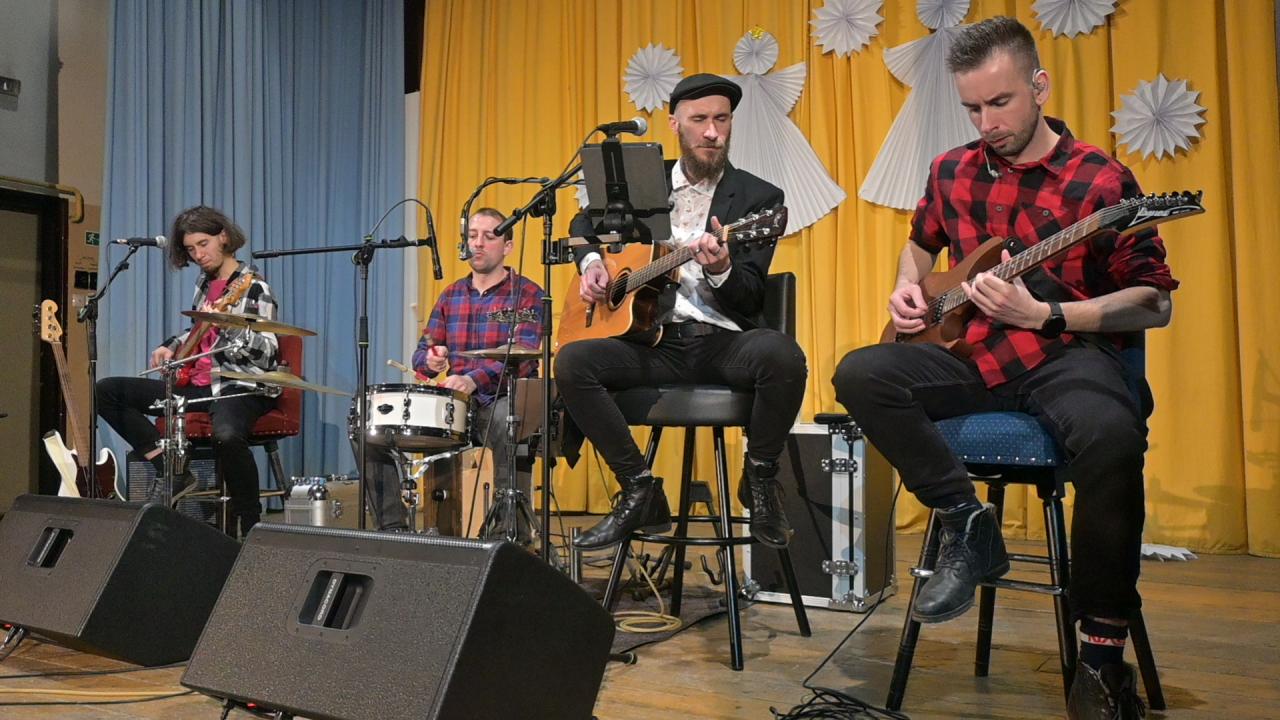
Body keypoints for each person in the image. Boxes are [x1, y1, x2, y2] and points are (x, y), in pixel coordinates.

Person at [830, 17, 1177, 719]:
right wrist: (908, 289)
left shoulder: (1103, 180)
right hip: (969, 356)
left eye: (1000, 103)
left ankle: (1101, 660)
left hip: (1063, 355)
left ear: (1039, 87)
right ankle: (968, 524)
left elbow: (1154, 302)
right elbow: (919, 245)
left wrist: (1046, 313)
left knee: (1112, 438)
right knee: (859, 373)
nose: (986, 123)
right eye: (972, 108)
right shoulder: (950, 171)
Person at [556, 73, 808, 552]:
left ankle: (760, 477)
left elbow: (750, 296)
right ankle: (639, 489)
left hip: (720, 344)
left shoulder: (758, 199)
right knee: (572, 362)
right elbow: (582, 222)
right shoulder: (642, 185)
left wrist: (722, 268)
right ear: (675, 124)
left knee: (783, 355)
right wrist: (591, 264)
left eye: (722, 120)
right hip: (651, 344)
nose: (713, 132)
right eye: (700, 120)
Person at [97, 206, 279, 537]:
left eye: (203, 244)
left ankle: (250, 523)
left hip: (238, 385)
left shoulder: (254, 287)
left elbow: (267, 352)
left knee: (227, 435)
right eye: (191, 249)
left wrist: (229, 326)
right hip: (197, 387)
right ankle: (170, 467)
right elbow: (196, 330)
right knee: (107, 391)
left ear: (223, 237)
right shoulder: (204, 283)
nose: (198, 255)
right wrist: (170, 345)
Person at [363, 208, 544, 537]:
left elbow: (525, 355)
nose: (478, 243)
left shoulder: (528, 293)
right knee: (369, 425)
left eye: (488, 236)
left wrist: (473, 379)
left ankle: (506, 537)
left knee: (507, 422)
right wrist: (430, 360)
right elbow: (422, 353)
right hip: (456, 406)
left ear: (507, 246)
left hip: (500, 399)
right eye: (472, 236)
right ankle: (394, 530)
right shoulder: (451, 294)